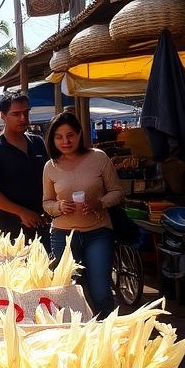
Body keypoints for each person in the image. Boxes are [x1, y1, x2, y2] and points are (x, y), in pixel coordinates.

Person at [43, 111, 125, 317]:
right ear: (52, 139)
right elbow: (46, 202)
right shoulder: (50, 166)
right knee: (68, 291)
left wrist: (100, 203)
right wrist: (59, 206)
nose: (65, 141)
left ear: (80, 134)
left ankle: (107, 329)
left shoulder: (98, 157)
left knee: (100, 291)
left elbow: (117, 192)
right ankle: (76, 332)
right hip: (63, 236)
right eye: (59, 137)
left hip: (98, 233)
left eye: (70, 135)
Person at [0, 92, 49, 242]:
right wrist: (21, 212)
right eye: (16, 114)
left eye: (26, 113)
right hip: (9, 230)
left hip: (42, 225)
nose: (23, 118)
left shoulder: (38, 143)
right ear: (3, 116)